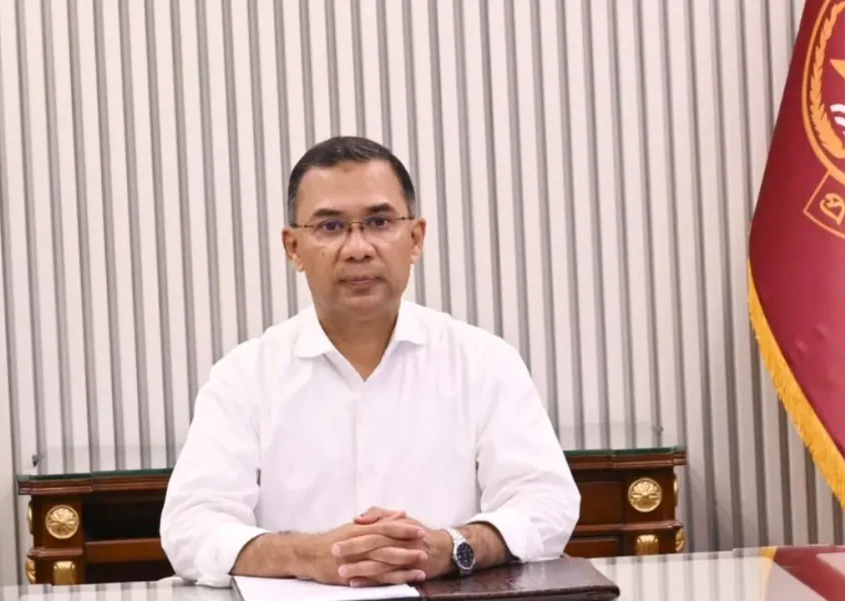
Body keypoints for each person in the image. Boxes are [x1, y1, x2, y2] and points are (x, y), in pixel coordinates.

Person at [159, 136, 580, 588]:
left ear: (415, 238)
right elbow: (190, 527)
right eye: (331, 226)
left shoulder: (484, 363)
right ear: (293, 247)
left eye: (379, 222)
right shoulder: (244, 376)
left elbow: (547, 502)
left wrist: (451, 547)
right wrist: (309, 556)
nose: (358, 247)